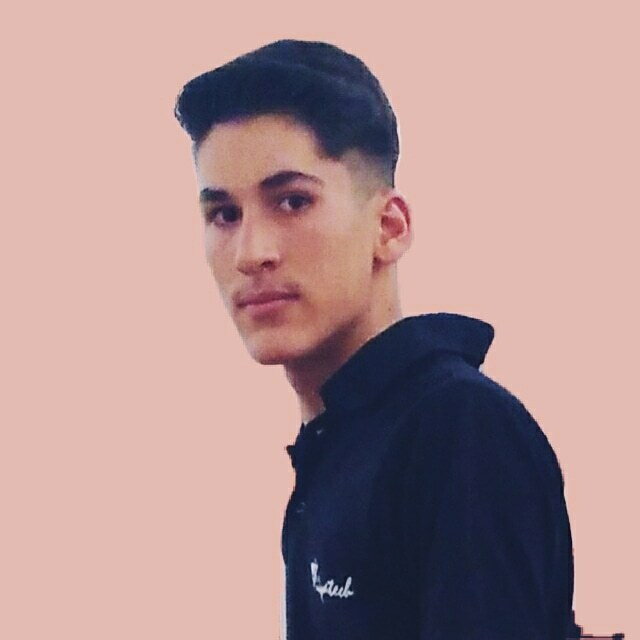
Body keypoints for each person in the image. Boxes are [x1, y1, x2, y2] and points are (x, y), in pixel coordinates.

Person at [173, 39, 576, 640]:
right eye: (224, 215)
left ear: (389, 227)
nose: (251, 253)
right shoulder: (338, 448)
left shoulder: (458, 431)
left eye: (292, 201)